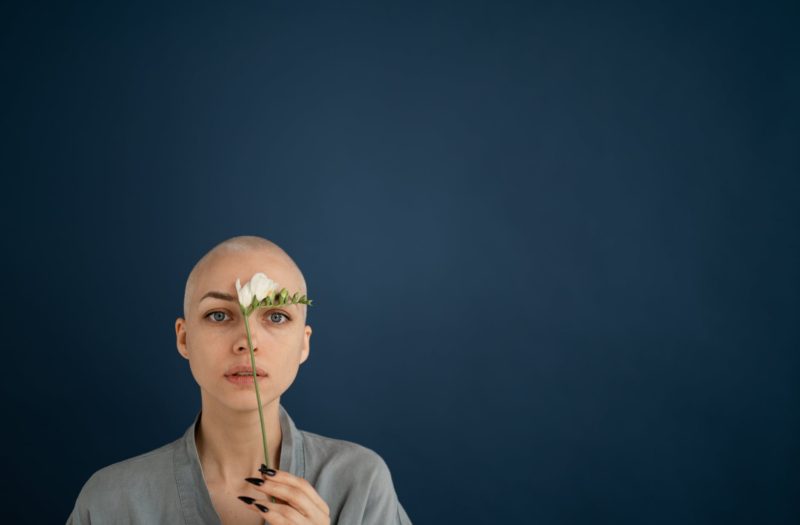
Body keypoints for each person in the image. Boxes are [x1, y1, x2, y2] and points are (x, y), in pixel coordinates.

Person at [67, 235, 412, 524]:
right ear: (184, 338)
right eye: (219, 315)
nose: (248, 340)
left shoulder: (360, 482)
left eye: (276, 316)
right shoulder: (111, 502)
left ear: (304, 343)